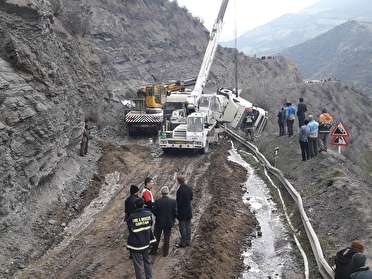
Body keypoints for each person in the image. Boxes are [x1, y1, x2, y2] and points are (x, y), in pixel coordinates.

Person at [127, 198, 156, 279]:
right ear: (143, 205)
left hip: (136, 244)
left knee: (138, 264)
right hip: (146, 242)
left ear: (135, 206)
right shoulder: (149, 214)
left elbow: (130, 228)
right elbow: (150, 225)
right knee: (147, 261)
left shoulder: (132, 216)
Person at [150, 186, 177, 257]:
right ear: (168, 192)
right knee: (167, 237)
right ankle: (165, 252)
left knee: (156, 236)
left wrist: (158, 215)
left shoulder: (158, 201)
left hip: (159, 221)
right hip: (169, 222)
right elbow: (175, 212)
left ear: (161, 193)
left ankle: (154, 250)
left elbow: (153, 210)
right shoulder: (173, 202)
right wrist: (173, 219)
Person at [176, 175, 193, 247]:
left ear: (178, 181)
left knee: (182, 227)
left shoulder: (179, 190)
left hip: (182, 212)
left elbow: (178, 202)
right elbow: (191, 198)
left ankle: (183, 242)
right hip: (188, 210)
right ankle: (188, 241)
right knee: (188, 226)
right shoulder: (189, 188)